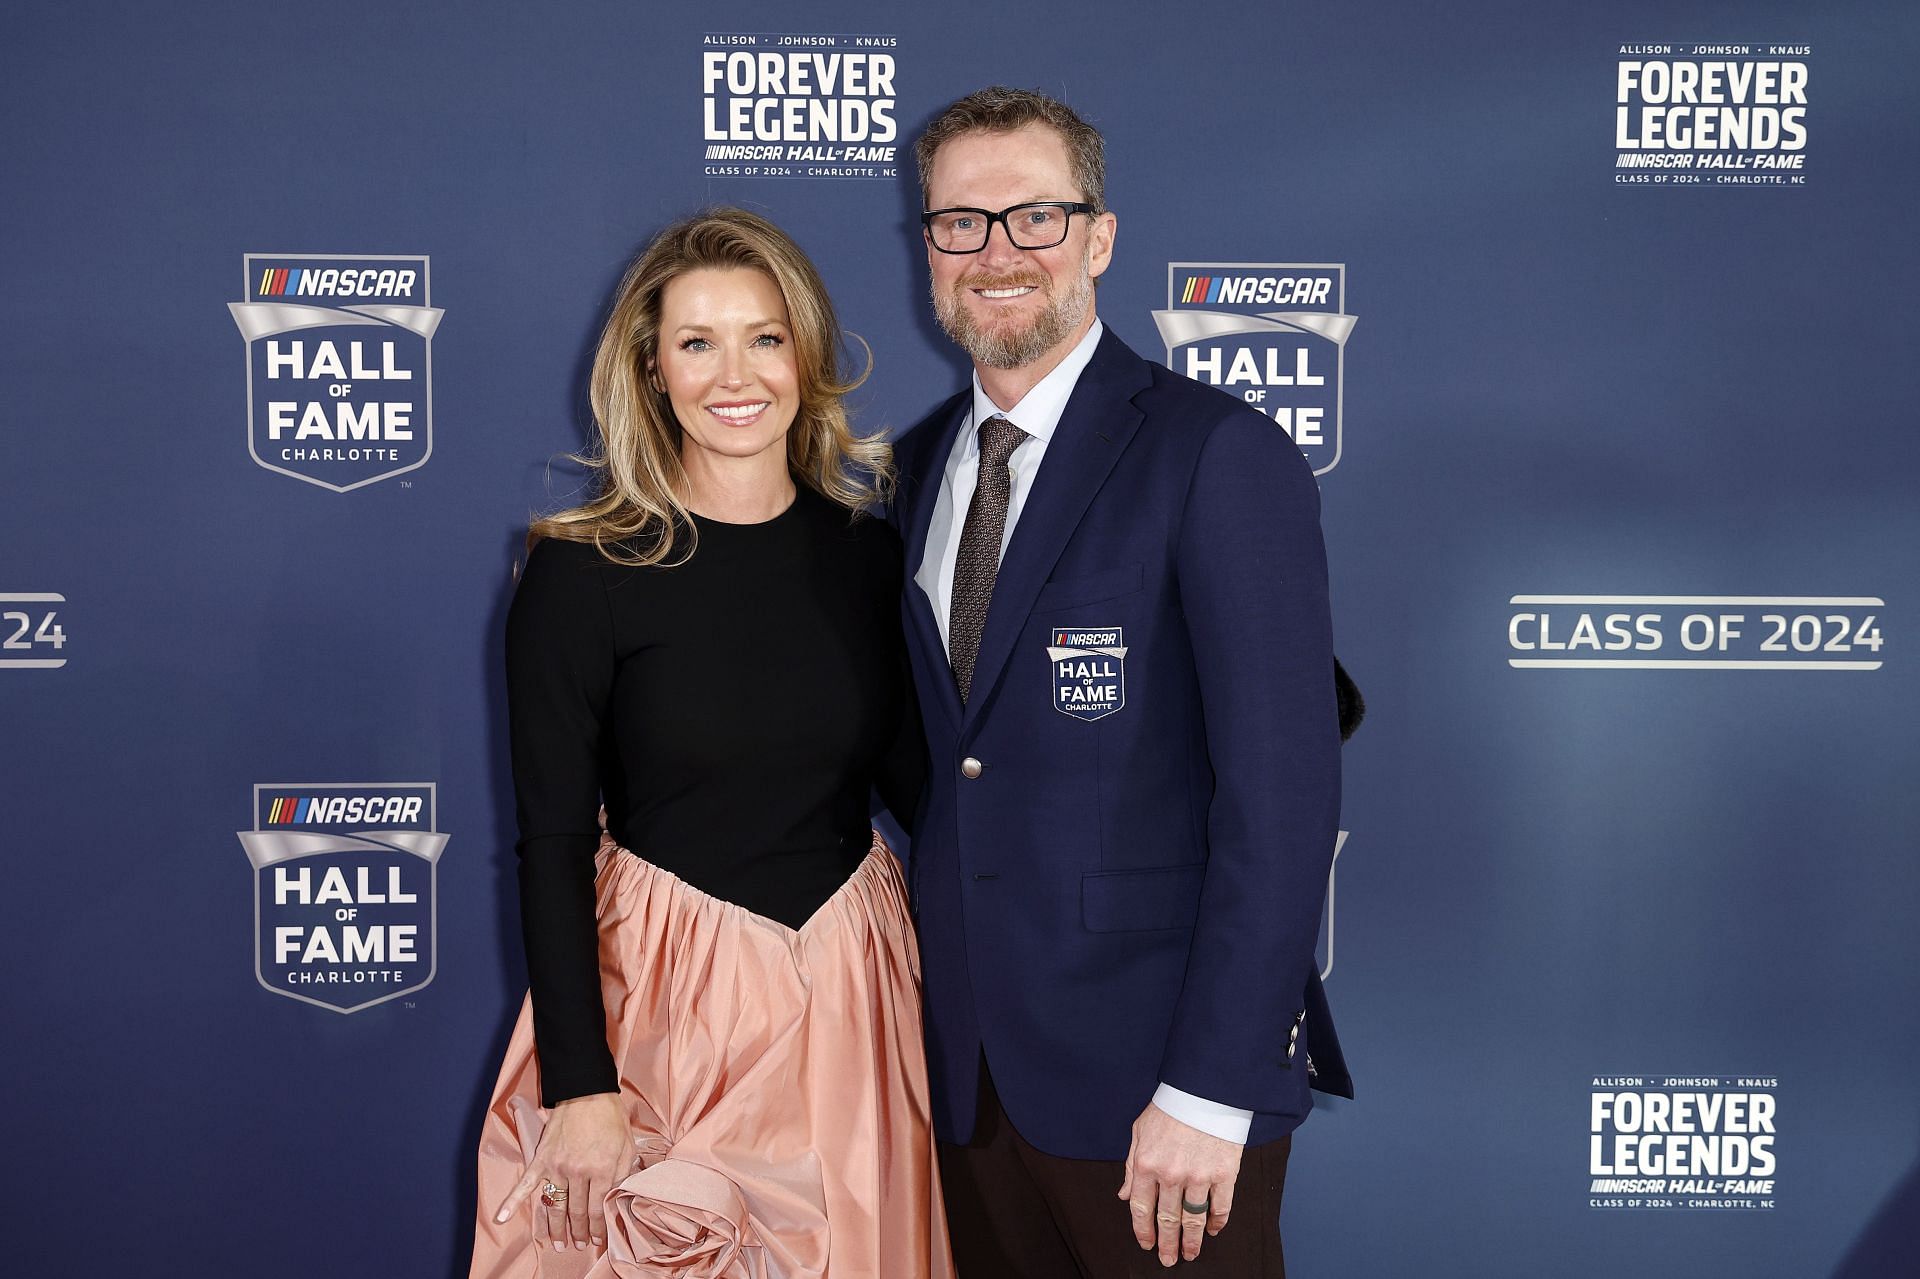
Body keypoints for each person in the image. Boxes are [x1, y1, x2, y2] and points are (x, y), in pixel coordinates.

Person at [891, 87, 1352, 1277]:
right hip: (972, 1084)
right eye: (959, 223)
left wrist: (1213, 1087)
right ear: (927, 248)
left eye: (1034, 217)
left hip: (1161, 1092)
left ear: (1099, 239)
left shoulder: (1216, 453)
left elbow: (1285, 800)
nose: (997, 254)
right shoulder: (909, 468)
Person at [469, 207, 951, 1278]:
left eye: (764, 336)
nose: (736, 374)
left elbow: (931, 791)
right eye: (698, 342)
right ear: (652, 368)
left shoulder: (868, 556)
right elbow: (549, 844)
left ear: (807, 354)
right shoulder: (580, 574)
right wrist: (580, 1085)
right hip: (667, 1012)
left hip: (853, 1004)